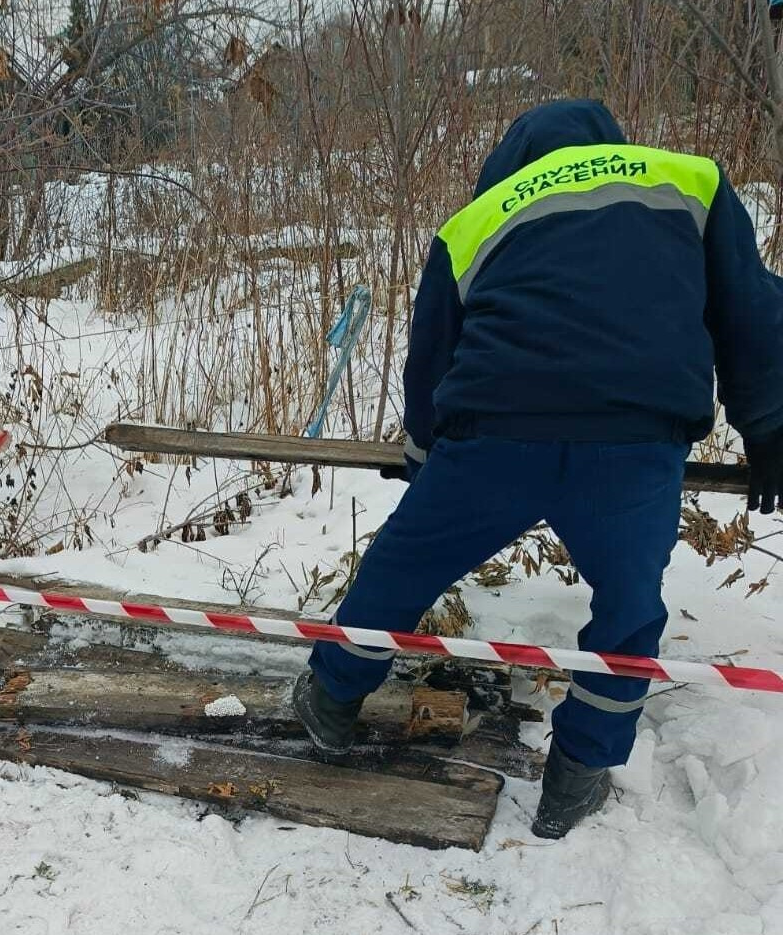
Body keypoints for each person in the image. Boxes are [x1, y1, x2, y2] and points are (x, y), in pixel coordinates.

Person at [291, 99, 783, 839]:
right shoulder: (691, 182)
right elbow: (753, 312)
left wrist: (427, 464)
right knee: (629, 607)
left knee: (401, 567)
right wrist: (770, 422)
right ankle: (578, 773)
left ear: (512, 158)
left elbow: (429, 360)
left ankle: (331, 699)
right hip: (633, 439)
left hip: (496, 433)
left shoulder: (478, 219)